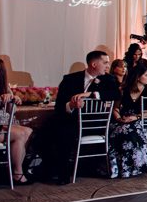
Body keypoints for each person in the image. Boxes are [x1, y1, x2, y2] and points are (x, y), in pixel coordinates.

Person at [50, 50, 122, 182]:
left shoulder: (109, 79)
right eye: (105, 62)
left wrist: (91, 94)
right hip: (72, 121)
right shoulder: (70, 79)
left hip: (96, 125)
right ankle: (56, 171)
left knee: (63, 131)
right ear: (94, 64)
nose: (108, 65)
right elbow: (59, 105)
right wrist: (71, 105)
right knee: (50, 130)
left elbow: (116, 95)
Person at [107, 63, 147, 178]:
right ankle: (119, 167)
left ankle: (132, 166)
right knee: (120, 129)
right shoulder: (123, 89)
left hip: (143, 119)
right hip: (123, 120)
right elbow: (115, 108)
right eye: (146, 75)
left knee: (127, 129)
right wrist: (119, 118)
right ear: (138, 76)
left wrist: (137, 117)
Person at [0, 58, 33, 185]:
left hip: (0, 126)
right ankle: (17, 172)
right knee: (21, 134)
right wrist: (0, 99)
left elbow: (13, 112)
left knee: (28, 131)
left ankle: (14, 169)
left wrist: (13, 100)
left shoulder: (3, 86)